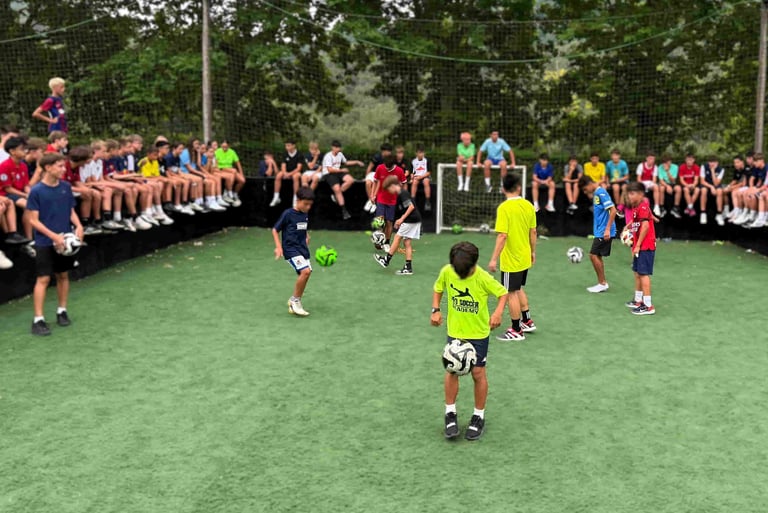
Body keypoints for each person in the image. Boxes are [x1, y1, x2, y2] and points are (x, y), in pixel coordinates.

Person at [431, 241, 508, 441]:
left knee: (478, 372)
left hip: (478, 334)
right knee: (452, 369)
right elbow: (438, 288)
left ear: (474, 265)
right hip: (455, 331)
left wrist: (498, 313)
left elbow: (503, 293)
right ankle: (450, 413)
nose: (460, 274)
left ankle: (478, 416)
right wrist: (436, 309)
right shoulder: (448, 271)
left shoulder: (482, 277)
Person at [27, 152, 84, 336]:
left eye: (63, 165)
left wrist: (79, 225)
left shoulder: (66, 187)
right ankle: (38, 319)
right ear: (48, 168)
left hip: (65, 240)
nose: (63, 169)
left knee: (63, 276)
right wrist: (54, 237)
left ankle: (62, 311)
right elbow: (33, 221)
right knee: (43, 279)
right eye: (59, 166)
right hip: (45, 242)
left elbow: (70, 210)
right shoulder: (36, 191)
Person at [488, 172, 537, 341]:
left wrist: (494, 258)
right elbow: (533, 231)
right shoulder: (528, 205)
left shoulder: (504, 208)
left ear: (503, 189)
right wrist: (532, 251)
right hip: (524, 256)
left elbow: (502, 236)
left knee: (510, 292)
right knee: (518, 288)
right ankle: (527, 321)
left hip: (511, 259)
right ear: (519, 187)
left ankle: (516, 330)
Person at [272, 187, 315, 317]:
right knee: (305, 271)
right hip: (290, 249)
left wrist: (306, 236)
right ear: (298, 200)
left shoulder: (305, 214)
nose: (308, 207)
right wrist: (279, 247)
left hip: (302, 249)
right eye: (305, 204)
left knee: (307, 273)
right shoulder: (288, 214)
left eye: (310, 205)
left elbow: (302, 227)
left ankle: (294, 300)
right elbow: (275, 230)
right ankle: (295, 301)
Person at [373, 175, 422, 275]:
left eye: (388, 189)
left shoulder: (402, 193)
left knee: (397, 237)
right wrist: (400, 220)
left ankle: (386, 260)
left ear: (392, 186)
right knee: (407, 243)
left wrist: (402, 219)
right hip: (415, 219)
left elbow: (411, 207)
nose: (389, 192)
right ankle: (408, 268)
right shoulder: (401, 194)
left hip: (411, 219)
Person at [579, 175, 616, 293]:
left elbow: (613, 210)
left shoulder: (601, 193)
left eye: (585, 189)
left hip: (604, 231)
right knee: (597, 256)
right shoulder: (596, 193)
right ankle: (602, 282)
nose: (585, 192)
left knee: (593, 255)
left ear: (589, 184)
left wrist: (607, 229)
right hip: (599, 230)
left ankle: (602, 283)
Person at [625, 182, 657, 315]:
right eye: (628, 194)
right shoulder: (636, 208)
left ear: (641, 194)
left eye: (632, 194)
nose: (629, 196)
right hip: (639, 246)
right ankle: (638, 300)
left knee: (644, 274)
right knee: (637, 272)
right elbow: (637, 223)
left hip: (645, 246)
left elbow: (645, 227)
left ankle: (648, 305)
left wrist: (637, 245)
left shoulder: (643, 206)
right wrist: (627, 228)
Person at [0, 137, 36, 245]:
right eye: (22, 149)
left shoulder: (23, 165)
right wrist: (25, 195)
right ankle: (15, 235)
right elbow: (8, 188)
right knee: (27, 204)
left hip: (19, 193)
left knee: (32, 203)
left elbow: (26, 184)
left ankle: (29, 238)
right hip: (7, 194)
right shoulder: (4, 166)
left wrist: (29, 192)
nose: (25, 151)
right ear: (12, 151)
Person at [321, 140, 363, 221]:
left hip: (338, 172)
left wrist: (357, 162)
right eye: (336, 148)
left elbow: (346, 162)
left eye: (339, 148)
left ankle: (336, 196)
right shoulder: (328, 156)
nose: (338, 149)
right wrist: (342, 170)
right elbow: (330, 170)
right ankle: (344, 211)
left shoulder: (340, 154)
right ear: (332, 147)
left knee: (350, 180)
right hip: (328, 174)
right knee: (337, 189)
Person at [371, 155, 407, 248]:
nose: (387, 168)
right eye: (386, 165)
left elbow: (404, 183)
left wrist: (404, 196)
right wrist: (373, 195)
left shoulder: (399, 171)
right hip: (381, 199)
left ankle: (387, 242)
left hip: (392, 201)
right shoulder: (380, 168)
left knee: (389, 222)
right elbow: (376, 181)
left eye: (389, 166)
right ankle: (379, 240)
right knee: (380, 221)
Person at [270, 140, 307, 208]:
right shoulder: (285, 154)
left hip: (296, 172)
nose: (287, 147)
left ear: (293, 146)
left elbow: (299, 168)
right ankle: (276, 197)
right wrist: (285, 173)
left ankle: (295, 198)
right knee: (278, 176)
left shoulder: (299, 154)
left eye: (289, 145)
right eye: (286, 146)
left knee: (295, 177)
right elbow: (283, 166)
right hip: (287, 171)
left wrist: (290, 174)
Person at [214, 140, 245, 206]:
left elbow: (238, 163)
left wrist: (241, 173)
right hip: (221, 169)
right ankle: (227, 193)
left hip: (230, 169)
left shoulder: (232, 152)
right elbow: (216, 165)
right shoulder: (217, 152)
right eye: (223, 146)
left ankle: (235, 194)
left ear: (228, 146)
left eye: (226, 146)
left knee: (242, 180)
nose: (224, 147)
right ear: (221, 145)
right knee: (233, 171)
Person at [364, 143, 392, 212]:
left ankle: (373, 202)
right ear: (383, 151)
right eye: (388, 151)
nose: (389, 153)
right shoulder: (377, 157)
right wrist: (366, 177)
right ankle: (372, 202)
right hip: (373, 173)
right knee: (368, 183)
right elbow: (369, 167)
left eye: (390, 151)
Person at [699, 156, 725, 226]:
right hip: (706, 184)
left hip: (715, 184)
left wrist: (713, 171)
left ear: (717, 163)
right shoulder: (703, 167)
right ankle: (703, 213)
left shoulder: (721, 169)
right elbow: (702, 181)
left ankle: (719, 214)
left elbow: (716, 183)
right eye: (710, 162)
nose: (712, 164)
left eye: (714, 162)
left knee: (719, 191)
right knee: (703, 190)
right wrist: (711, 187)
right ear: (708, 162)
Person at [727, 156, 751, 223]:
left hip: (747, 186)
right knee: (726, 190)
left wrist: (733, 187)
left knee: (734, 192)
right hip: (743, 186)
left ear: (742, 162)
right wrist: (729, 186)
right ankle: (732, 210)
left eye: (737, 162)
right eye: (734, 163)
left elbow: (743, 184)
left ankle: (738, 211)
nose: (735, 164)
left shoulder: (747, 169)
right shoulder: (736, 170)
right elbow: (735, 180)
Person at [606, 149, 630, 217]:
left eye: (616, 155)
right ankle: (617, 206)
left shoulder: (623, 163)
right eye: (613, 155)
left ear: (619, 156)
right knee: (615, 187)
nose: (615, 157)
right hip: (613, 181)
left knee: (625, 187)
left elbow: (627, 177)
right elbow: (607, 175)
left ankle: (621, 206)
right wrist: (607, 182)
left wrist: (619, 180)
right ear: (611, 156)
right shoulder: (609, 164)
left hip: (622, 180)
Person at [636, 152, 659, 216]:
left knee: (656, 186)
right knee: (638, 187)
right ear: (646, 158)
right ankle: (638, 207)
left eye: (653, 159)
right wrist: (644, 185)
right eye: (650, 158)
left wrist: (649, 185)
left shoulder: (655, 167)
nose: (651, 160)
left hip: (650, 183)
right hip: (641, 182)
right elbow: (638, 179)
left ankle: (657, 206)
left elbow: (654, 180)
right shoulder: (641, 165)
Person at [410, 144, 431, 212]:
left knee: (426, 182)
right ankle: (413, 201)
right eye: (419, 152)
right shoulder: (413, 161)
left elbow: (429, 172)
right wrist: (412, 177)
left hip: (425, 176)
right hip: (417, 177)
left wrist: (421, 177)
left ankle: (427, 202)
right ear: (416, 153)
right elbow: (412, 172)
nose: (421, 154)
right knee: (414, 182)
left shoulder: (427, 160)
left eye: (422, 152)